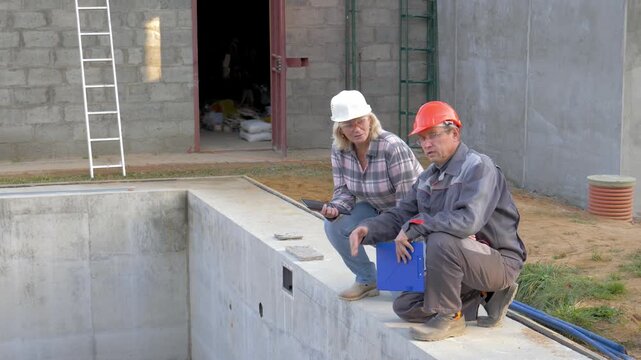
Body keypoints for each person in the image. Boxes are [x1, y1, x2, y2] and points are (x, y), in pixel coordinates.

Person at [348, 100, 527, 341]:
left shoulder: (478, 167)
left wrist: (416, 226)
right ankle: (481, 295)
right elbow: (402, 214)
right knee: (405, 305)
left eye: (432, 135)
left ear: (454, 133)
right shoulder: (428, 178)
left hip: (496, 261)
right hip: (461, 262)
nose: (426, 144)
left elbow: (467, 221)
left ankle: (450, 317)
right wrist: (368, 228)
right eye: (421, 139)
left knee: (441, 239)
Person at [321, 90, 423, 301]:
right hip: (376, 209)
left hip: (413, 218)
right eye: (349, 124)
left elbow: (409, 203)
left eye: (361, 122)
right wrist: (335, 209)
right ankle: (367, 279)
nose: (356, 129)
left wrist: (401, 234)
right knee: (334, 224)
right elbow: (344, 192)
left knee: (401, 297)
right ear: (340, 128)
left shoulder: (392, 147)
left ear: (370, 119)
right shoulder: (339, 149)